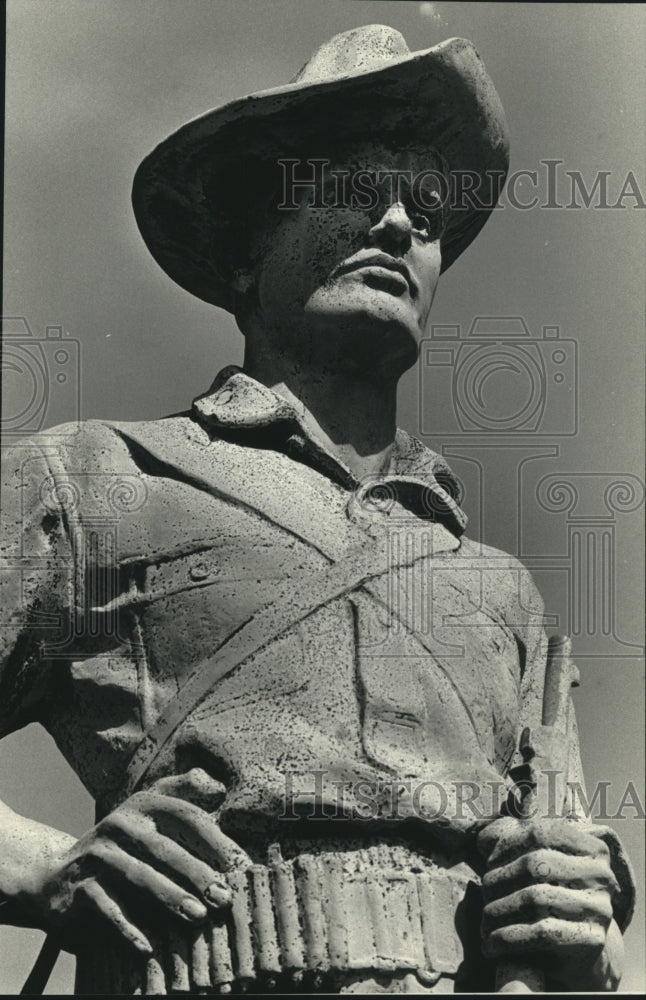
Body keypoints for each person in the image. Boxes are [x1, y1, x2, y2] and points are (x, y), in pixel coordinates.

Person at [0, 24, 634, 995]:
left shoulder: (498, 590)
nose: (396, 226)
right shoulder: (95, 481)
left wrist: (584, 918)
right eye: (347, 191)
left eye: (425, 212)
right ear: (248, 253)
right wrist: (42, 866)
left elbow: (575, 931)